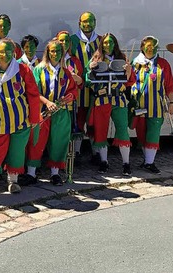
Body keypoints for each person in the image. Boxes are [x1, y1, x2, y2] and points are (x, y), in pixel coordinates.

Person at [0, 38, 41, 201]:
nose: (5, 54)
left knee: (17, 153)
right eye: (2, 51)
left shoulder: (23, 70)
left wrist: (33, 118)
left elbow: (33, 95)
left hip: (21, 122)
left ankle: (13, 181)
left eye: (8, 51)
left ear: (14, 52)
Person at [23, 39, 78, 185]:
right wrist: (47, 102)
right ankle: (31, 173)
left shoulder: (66, 73)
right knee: (36, 142)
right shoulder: (38, 70)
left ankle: (55, 174)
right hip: (42, 112)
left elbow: (73, 91)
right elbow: (33, 92)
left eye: (58, 51)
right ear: (48, 52)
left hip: (61, 113)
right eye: (52, 51)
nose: (55, 54)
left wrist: (64, 100)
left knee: (59, 142)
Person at [86, 33, 136, 175]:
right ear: (102, 44)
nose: (108, 45)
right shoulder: (96, 58)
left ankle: (126, 164)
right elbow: (87, 79)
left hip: (118, 99)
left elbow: (131, 81)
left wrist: (129, 71)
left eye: (111, 42)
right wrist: (90, 69)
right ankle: (104, 162)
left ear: (115, 44)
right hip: (101, 99)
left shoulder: (122, 59)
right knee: (100, 131)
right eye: (106, 42)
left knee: (122, 130)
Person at [130, 35, 173, 174]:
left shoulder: (163, 63)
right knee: (141, 134)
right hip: (139, 106)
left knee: (153, 133)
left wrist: (172, 102)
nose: (151, 49)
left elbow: (169, 85)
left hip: (157, 106)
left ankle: (150, 162)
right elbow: (129, 82)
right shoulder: (135, 63)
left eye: (154, 47)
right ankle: (146, 160)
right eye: (148, 46)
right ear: (142, 47)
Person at [69, 12, 101, 163]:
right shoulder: (72, 40)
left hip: (97, 90)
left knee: (95, 122)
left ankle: (96, 153)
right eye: (84, 22)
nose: (87, 24)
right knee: (79, 121)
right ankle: (77, 153)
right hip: (79, 90)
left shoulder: (101, 41)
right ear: (79, 23)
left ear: (95, 22)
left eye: (90, 21)